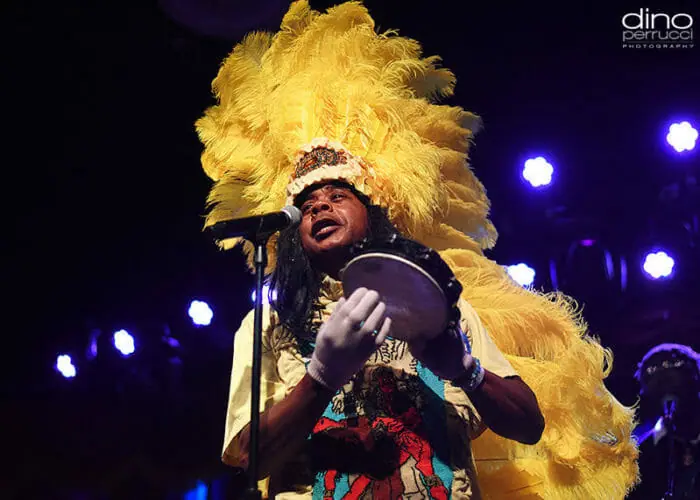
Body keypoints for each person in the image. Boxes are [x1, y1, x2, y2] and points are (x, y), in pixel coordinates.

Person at [196, 1, 640, 498]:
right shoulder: (271, 325)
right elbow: (250, 457)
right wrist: (320, 375)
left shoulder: (437, 307)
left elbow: (529, 424)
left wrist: (465, 368)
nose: (320, 207)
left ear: (375, 212)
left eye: (338, 195)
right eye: (308, 204)